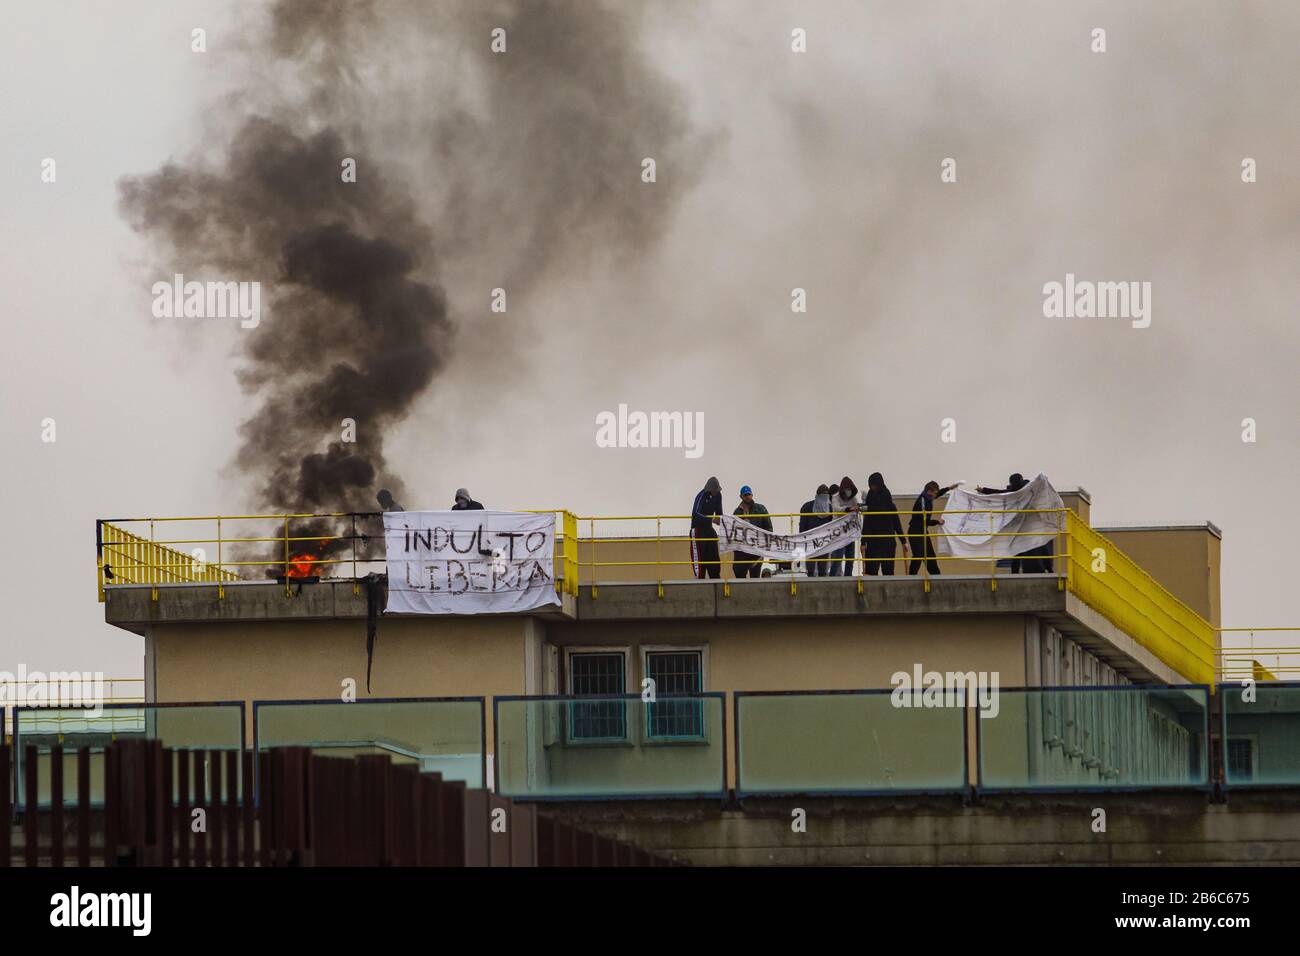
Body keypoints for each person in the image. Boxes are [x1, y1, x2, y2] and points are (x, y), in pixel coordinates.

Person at [974, 473, 1051, 572]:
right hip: (1030, 525)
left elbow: (998, 493)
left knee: (1017, 550)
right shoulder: (1028, 489)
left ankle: (1014, 572)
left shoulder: (1012, 492)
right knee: (1040, 545)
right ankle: (1049, 569)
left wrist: (983, 490)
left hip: (1020, 526)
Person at [862, 472, 908, 575]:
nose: (873, 488)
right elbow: (867, 522)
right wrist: (863, 542)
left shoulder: (889, 504)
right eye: (871, 486)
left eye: (874, 485)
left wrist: (903, 541)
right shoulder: (870, 499)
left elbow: (897, 524)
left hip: (887, 542)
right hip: (873, 542)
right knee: (870, 572)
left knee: (888, 572)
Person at [908, 481, 957, 575]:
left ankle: (936, 575)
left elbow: (939, 493)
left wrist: (949, 488)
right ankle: (911, 577)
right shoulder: (921, 502)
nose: (936, 495)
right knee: (918, 555)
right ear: (929, 492)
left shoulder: (928, 497)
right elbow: (924, 521)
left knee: (930, 555)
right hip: (915, 532)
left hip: (923, 531)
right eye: (934, 493)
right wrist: (937, 522)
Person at [732, 485, 773, 579]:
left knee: (755, 577)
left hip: (756, 549)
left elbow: (769, 528)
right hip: (742, 551)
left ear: (752, 495)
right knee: (739, 574)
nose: (747, 497)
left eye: (749, 494)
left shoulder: (761, 509)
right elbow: (733, 531)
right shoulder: (737, 512)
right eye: (745, 495)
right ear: (741, 496)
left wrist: (763, 543)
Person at [690, 476, 724, 579]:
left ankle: (715, 578)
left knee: (713, 556)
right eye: (714, 490)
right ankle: (700, 580)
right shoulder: (701, 496)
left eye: (716, 490)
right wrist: (711, 519)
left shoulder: (718, 495)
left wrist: (720, 519)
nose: (715, 492)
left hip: (709, 529)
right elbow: (695, 513)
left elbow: (719, 512)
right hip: (698, 529)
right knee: (700, 559)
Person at [798, 484, 833, 577]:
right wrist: (802, 539)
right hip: (810, 542)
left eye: (826, 495)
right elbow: (802, 525)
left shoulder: (831, 509)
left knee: (823, 570)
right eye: (822, 495)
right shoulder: (807, 507)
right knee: (810, 570)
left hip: (824, 543)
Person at [829, 477, 860, 576]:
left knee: (850, 557)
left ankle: (848, 577)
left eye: (850, 490)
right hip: (839, 532)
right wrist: (848, 509)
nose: (848, 492)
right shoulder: (835, 498)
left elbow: (856, 509)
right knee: (838, 556)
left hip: (850, 531)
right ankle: (832, 577)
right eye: (847, 489)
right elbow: (836, 509)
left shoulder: (853, 499)